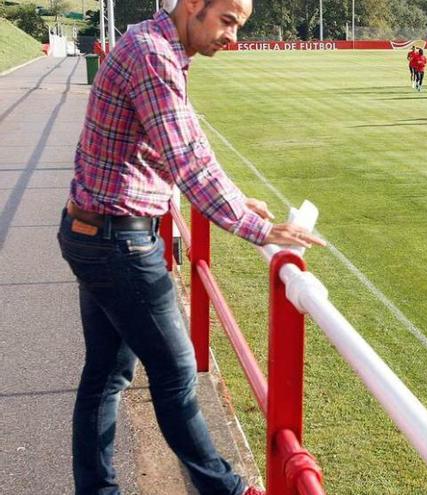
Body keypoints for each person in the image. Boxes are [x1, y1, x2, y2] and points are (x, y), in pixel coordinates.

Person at [58, 1, 327, 495]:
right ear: (192, 6)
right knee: (177, 373)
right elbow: (187, 160)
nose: (233, 38)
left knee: (107, 374)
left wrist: (234, 196)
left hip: (92, 230)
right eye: (226, 21)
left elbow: (159, 147)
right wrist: (255, 227)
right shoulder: (153, 54)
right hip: (118, 241)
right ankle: (226, 489)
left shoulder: (150, 44)